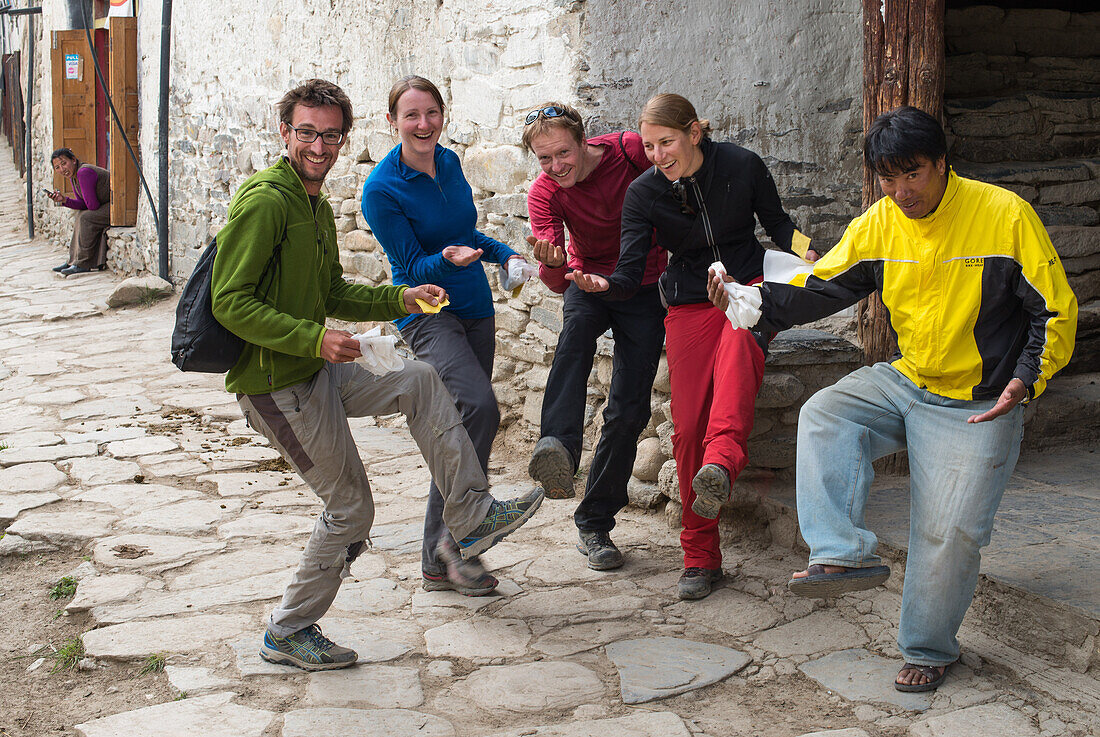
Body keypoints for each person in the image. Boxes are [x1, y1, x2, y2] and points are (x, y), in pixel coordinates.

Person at [707, 106, 1077, 691]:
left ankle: (929, 649)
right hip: (907, 379)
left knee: (948, 532)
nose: (901, 191)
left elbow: (1053, 309)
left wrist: (1026, 378)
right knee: (826, 412)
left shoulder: (1005, 216)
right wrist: (749, 301)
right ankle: (842, 552)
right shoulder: (879, 223)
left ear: (941, 164)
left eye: (914, 175)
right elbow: (819, 284)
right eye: (888, 178)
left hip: (980, 400)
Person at [210, 79, 543, 672]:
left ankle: (469, 516)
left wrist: (403, 297)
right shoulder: (266, 201)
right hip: (276, 387)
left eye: (330, 134)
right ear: (284, 132)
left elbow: (333, 289)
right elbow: (229, 302)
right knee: (351, 510)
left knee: (420, 381)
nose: (319, 145)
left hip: (315, 369)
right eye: (307, 132)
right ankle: (288, 629)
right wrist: (315, 336)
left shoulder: (310, 202)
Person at [568, 93, 816, 600]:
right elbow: (630, 271)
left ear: (694, 134)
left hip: (745, 292)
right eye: (649, 145)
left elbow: (780, 226)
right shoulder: (643, 194)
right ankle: (701, 558)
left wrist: (809, 250)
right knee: (686, 432)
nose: (657, 155)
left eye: (666, 142)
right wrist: (603, 286)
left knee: (741, 350)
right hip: (687, 301)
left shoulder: (743, 165)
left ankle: (721, 463)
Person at [362, 75, 533, 596]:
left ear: (443, 115)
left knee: (462, 424)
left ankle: (443, 555)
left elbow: (468, 232)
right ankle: (457, 541)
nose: (423, 124)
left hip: (476, 308)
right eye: (411, 115)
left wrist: (505, 254)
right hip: (426, 311)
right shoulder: (381, 189)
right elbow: (412, 265)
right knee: (479, 408)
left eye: (432, 112)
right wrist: (449, 259)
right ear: (392, 121)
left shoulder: (451, 163)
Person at [521, 102, 667, 571]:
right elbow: (555, 277)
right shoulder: (545, 193)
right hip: (588, 283)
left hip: (644, 285)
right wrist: (556, 261)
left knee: (628, 409)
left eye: (563, 152)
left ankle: (595, 524)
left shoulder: (627, 153)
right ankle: (558, 448)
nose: (556, 166)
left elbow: (673, 187)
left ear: (584, 141)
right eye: (544, 159)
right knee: (575, 334)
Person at [46, 148, 111, 276]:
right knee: (80, 215)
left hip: (116, 205)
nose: (62, 169)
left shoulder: (83, 173)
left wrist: (83, 203)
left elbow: (92, 206)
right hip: (105, 205)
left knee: (85, 217)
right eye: (57, 167)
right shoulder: (74, 176)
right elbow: (83, 204)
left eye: (64, 163)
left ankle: (83, 263)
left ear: (74, 160)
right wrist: (64, 200)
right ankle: (72, 261)